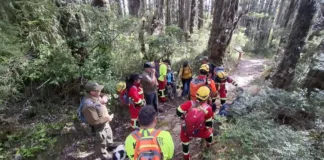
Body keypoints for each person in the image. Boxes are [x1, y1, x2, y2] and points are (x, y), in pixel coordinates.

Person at [176, 86, 214, 160]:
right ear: (208, 96)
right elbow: (208, 125)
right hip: (199, 131)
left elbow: (178, 111)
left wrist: (182, 117)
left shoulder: (190, 103)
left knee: (185, 141)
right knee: (210, 132)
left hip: (186, 130)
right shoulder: (208, 108)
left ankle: (186, 157)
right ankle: (208, 145)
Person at [81, 81, 114, 159]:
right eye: (98, 90)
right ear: (92, 92)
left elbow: (104, 95)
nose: (100, 91)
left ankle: (108, 150)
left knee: (108, 141)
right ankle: (105, 157)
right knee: (101, 146)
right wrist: (108, 118)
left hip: (105, 125)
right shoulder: (88, 105)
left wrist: (105, 98)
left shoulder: (96, 96)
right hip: (99, 129)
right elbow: (94, 121)